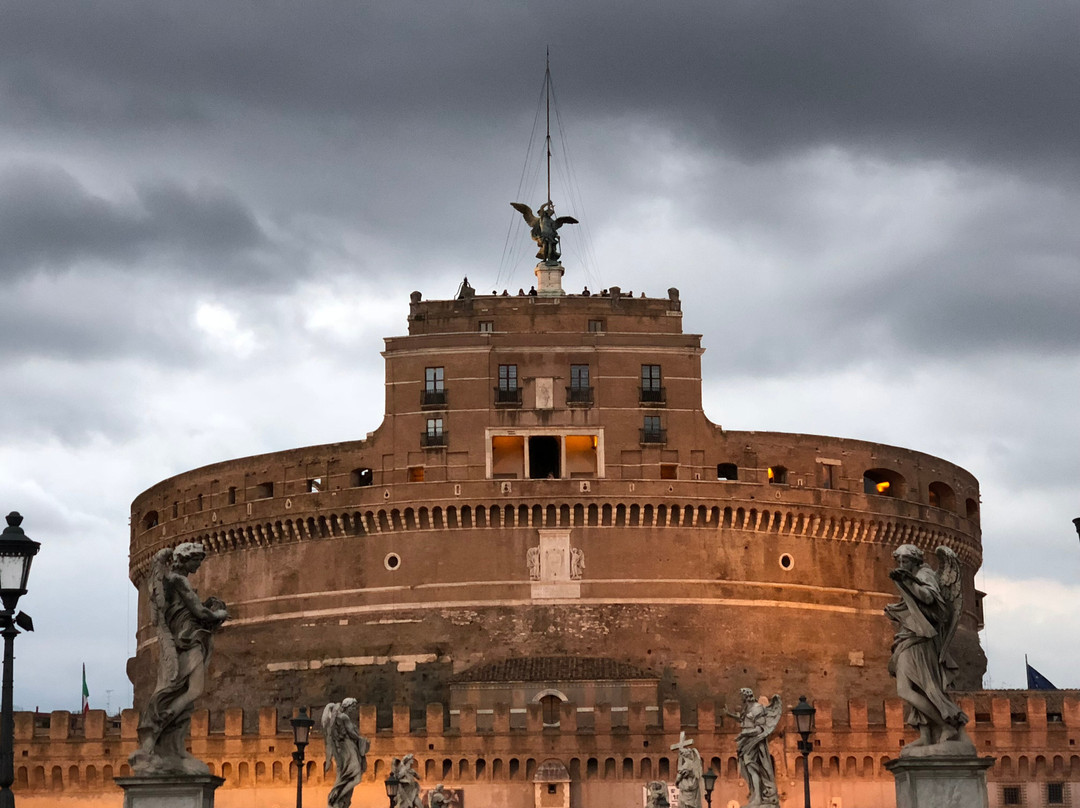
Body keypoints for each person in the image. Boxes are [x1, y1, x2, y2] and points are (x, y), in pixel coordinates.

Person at [131, 543, 228, 774]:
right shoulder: (179, 581)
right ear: (186, 559)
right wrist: (219, 614)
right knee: (191, 690)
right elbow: (199, 612)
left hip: (185, 640)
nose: (198, 566)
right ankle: (157, 728)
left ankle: (172, 746)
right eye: (197, 561)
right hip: (187, 641)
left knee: (182, 692)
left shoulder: (169, 581)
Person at [885, 543, 969, 750]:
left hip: (922, 640)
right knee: (911, 689)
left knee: (920, 687)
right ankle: (926, 734)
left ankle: (946, 725)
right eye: (899, 561)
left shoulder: (925, 574)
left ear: (915, 561)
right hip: (909, 636)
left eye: (906, 561)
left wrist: (908, 581)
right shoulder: (910, 575)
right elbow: (914, 607)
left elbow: (929, 598)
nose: (902, 564)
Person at [727, 688, 781, 806]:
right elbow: (744, 720)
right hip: (746, 742)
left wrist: (744, 734)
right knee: (746, 770)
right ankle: (754, 795)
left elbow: (759, 729)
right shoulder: (747, 708)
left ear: (746, 696)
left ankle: (757, 797)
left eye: (741, 695)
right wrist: (730, 715)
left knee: (753, 769)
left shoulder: (757, 708)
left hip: (754, 742)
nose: (740, 698)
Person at [323, 698, 369, 808]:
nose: (354, 709)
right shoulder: (344, 717)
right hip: (349, 747)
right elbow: (351, 732)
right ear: (348, 706)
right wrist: (362, 740)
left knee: (345, 774)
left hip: (345, 748)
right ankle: (337, 796)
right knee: (356, 776)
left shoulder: (339, 717)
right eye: (353, 707)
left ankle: (338, 797)